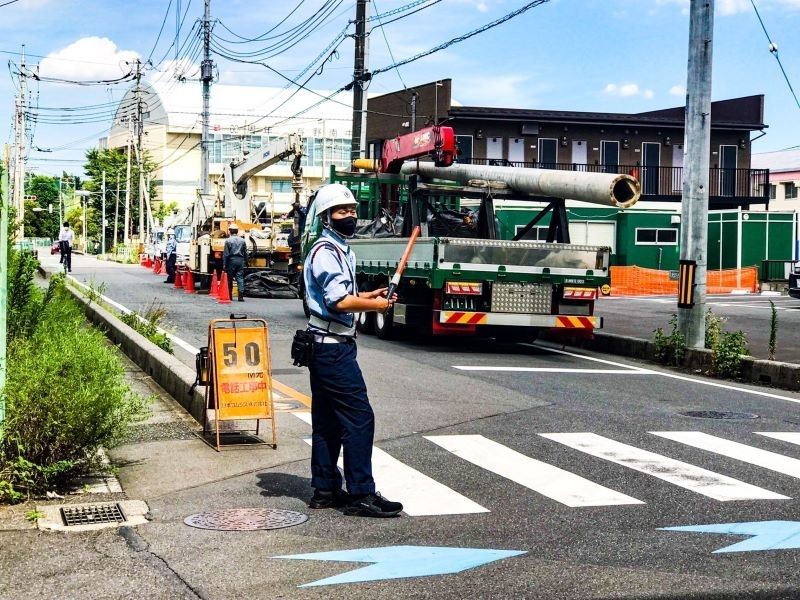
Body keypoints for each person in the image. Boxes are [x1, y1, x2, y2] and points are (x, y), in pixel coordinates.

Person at [303, 183, 402, 518]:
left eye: (352, 210)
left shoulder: (339, 248)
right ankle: (362, 492)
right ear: (326, 217)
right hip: (332, 349)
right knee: (360, 419)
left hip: (326, 344)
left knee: (328, 421)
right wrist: (378, 305)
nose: (350, 216)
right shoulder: (327, 252)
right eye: (342, 211)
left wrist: (372, 295)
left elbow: (346, 294)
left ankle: (325, 489)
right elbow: (339, 301)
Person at [222, 223, 248, 301]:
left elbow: (226, 254)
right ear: (237, 231)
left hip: (231, 261)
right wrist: (246, 261)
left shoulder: (228, 241)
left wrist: (224, 264)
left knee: (230, 278)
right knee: (240, 277)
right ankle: (240, 296)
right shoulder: (242, 241)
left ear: (230, 231)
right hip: (240, 261)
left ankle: (230, 296)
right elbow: (245, 252)